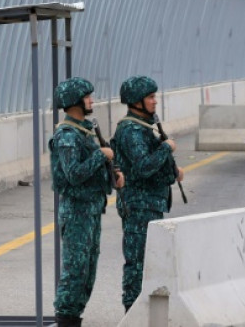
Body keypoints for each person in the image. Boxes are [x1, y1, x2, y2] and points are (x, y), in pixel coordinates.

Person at [50, 77, 124, 327]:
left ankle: (73, 318)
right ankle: (66, 321)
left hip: (91, 211)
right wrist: (100, 156)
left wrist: (113, 175)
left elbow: (88, 171)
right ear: (74, 101)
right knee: (75, 273)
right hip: (77, 212)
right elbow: (74, 174)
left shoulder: (84, 130)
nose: (91, 100)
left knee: (87, 272)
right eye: (87, 96)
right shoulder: (68, 135)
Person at [113, 75, 184, 312]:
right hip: (139, 206)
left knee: (149, 263)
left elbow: (151, 165)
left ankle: (141, 314)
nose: (155, 101)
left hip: (150, 204)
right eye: (150, 97)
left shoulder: (143, 128)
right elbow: (143, 167)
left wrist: (173, 171)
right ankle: (132, 313)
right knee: (137, 264)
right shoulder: (131, 131)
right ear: (136, 101)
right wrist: (166, 147)